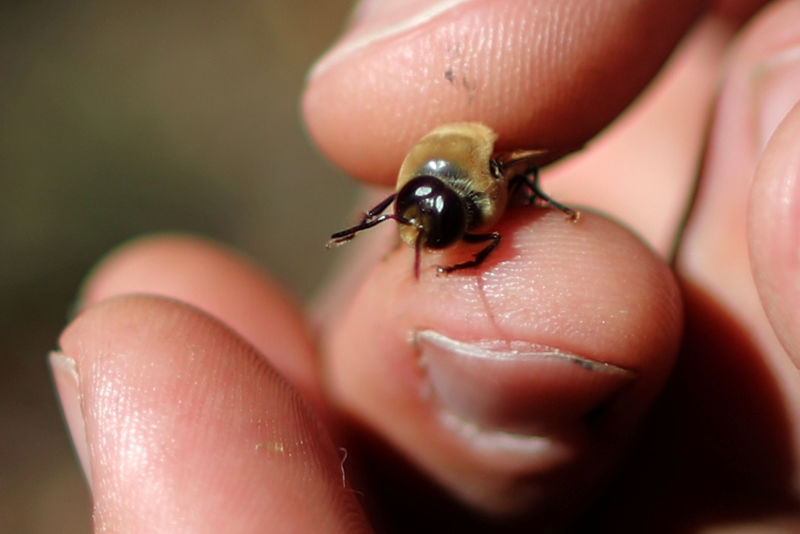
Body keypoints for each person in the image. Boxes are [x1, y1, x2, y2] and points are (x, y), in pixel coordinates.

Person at [50, 0, 800, 531]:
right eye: (409, 223)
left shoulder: (484, 188)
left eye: (419, 227)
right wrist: (383, 222)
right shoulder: (418, 185)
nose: (419, 235)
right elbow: (412, 191)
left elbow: (505, 179)